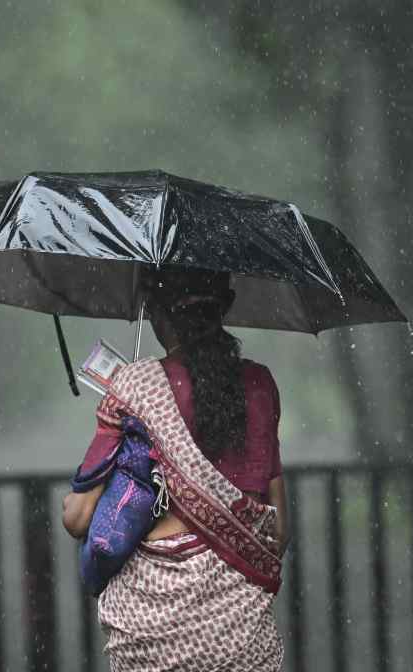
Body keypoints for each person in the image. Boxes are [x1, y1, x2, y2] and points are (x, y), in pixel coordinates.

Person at [62, 267, 289, 671]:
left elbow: (78, 518)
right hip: (242, 640)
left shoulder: (136, 386)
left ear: (155, 311)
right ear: (227, 306)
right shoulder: (260, 384)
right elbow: (280, 532)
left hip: (151, 640)